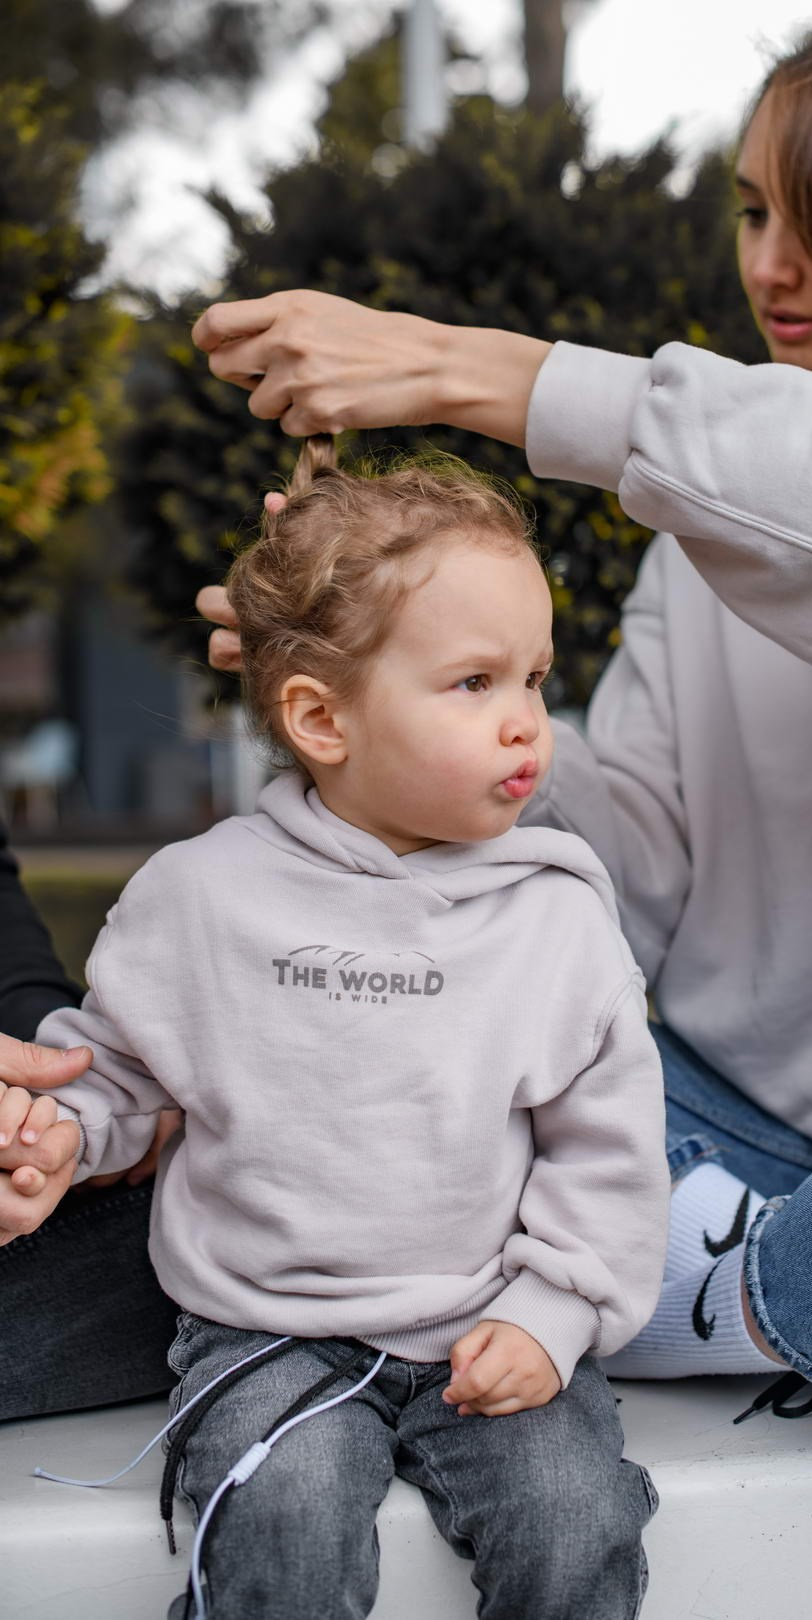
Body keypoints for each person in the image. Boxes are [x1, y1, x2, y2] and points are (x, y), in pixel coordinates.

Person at [186, 7, 812, 1451]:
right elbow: (638, 882)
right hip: (725, 1128)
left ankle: (743, 1293)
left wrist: (472, 372)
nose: (767, 265)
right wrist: (416, 703)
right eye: (752, 211)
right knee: (444, 1063)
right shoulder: (716, 517)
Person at [0, 441, 668, 1620]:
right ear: (320, 717)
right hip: (267, 1330)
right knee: (283, 1517)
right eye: (474, 683)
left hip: (491, 1319)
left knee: (576, 1519)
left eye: (534, 677)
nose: (526, 722)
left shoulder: (557, 923)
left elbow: (606, 1158)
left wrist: (553, 1316)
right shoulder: (202, 899)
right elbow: (121, 1070)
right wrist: (66, 1133)